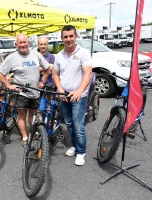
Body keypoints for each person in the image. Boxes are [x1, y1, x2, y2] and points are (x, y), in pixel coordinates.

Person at [0, 33, 51, 147]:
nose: (22, 45)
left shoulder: (36, 54)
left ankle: (33, 132)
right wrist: (8, 85)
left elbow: (47, 69)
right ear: (16, 44)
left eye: (24, 42)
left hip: (35, 91)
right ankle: (25, 137)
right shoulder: (12, 57)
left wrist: (43, 81)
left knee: (33, 114)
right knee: (22, 115)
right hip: (21, 92)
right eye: (20, 43)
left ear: (28, 43)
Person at [53, 25, 92, 166]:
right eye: (65, 36)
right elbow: (56, 74)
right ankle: (75, 146)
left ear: (76, 36)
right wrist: (59, 89)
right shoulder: (59, 56)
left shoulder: (83, 53)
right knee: (69, 123)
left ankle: (81, 152)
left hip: (78, 96)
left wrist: (80, 91)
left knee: (78, 125)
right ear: (62, 38)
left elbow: (88, 73)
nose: (68, 39)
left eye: (71, 36)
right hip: (64, 95)